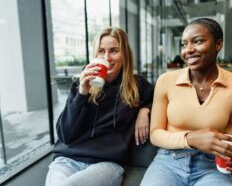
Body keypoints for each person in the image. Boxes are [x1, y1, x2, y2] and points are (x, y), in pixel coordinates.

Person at [140, 18, 232, 186]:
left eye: (198, 41)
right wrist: (191, 138)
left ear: (218, 44)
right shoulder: (166, 81)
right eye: (184, 44)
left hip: (211, 166)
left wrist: (229, 154)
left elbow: (229, 123)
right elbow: (155, 133)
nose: (188, 50)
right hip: (168, 162)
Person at [45, 27, 153, 186]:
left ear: (125, 55)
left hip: (107, 164)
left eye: (114, 51)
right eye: (101, 51)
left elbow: (162, 97)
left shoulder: (137, 86)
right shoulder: (82, 84)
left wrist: (145, 111)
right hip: (67, 160)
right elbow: (65, 135)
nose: (107, 57)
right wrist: (82, 93)